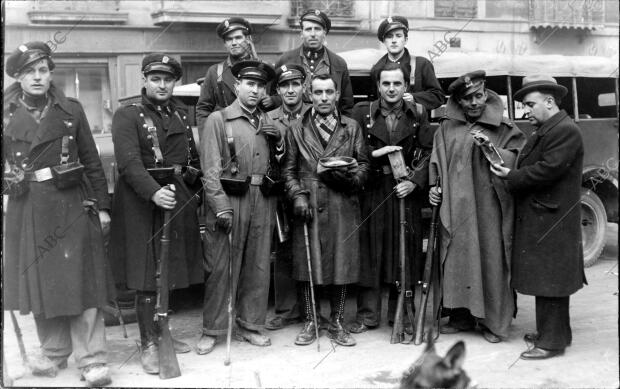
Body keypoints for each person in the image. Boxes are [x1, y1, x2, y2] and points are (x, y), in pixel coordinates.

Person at [3, 41, 113, 386]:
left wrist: (103, 207)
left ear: (51, 73)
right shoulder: (5, 114)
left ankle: (92, 358)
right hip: (28, 206)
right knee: (40, 282)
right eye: (29, 71)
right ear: (18, 76)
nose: (38, 77)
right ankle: (53, 351)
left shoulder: (71, 110)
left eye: (43, 70)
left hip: (72, 202)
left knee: (83, 280)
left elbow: (93, 162)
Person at [109, 53, 203, 374]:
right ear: (145, 81)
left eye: (168, 79)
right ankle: (148, 342)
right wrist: (153, 191)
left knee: (169, 269)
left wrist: (190, 193)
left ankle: (163, 332)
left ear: (175, 82)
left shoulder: (178, 116)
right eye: (156, 79)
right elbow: (129, 162)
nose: (162, 85)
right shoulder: (127, 115)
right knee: (147, 274)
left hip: (175, 200)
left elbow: (191, 161)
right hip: (140, 203)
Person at [490, 75, 586, 359]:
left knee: (552, 281)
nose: (526, 111)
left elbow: (548, 170)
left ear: (549, 102)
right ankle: (551, 333)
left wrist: (512, 176)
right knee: (548, 279)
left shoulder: (564, 131)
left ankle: (552, 343)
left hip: (551, 218)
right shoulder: (550, 129)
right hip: (547, 215)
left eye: (530, 105)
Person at [428, 70, 526, 343]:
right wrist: (433, 188)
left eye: (479, 95)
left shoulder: (504, 128)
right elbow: (437, 162)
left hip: (489, 210)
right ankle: (461, 316)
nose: (474, 102)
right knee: (459, 261)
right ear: (458, 101)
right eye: (467, 98)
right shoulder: (447, 129)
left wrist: (492, 150)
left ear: (487, 93)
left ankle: (493, 323)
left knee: (491, 260)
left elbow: (518, 159)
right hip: (457, 209)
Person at [198, 60, 283, 354]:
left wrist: (280, 143)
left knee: (258, 264)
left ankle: (250, 324)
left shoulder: (268, 122)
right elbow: (209, 169)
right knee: (221, 266)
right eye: (250, 84)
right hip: (232, 197)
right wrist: (220, 206)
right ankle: (214, 329)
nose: (255, 90)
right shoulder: (218, 120)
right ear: (237, 86)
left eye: (260, 86)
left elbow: (280, 163)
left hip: (264, 198)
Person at [283, 73, 369, 346]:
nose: (323, 98)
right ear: (309, 94)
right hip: (309, 203)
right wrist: (296, 196)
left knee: (341, 264)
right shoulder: (296, 127)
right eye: (318, 92)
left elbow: (365, 164)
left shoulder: (352, 127)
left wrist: (353, 179)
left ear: (336, 94)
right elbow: (288, 170)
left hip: (342, 203)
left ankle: (338, 321)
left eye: (328, 92)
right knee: (309, 265)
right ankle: (311, 320)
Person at [349, 62, 434, 334]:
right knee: (371, 250)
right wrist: (373, 158)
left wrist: (414, 182)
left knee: (406, 250)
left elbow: (429, 152)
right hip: (373, 189)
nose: (391, 89)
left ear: (405, 86)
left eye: (397, 83)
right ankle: (367, 314)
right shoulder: (363, 113)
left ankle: (404, 313)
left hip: (405, 189)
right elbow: (352, 152)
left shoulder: (418, 113)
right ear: (378, 87)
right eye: (386, 84)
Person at [264, 64, 312, 331]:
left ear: (304, 86)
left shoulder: (315, 112)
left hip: (311, 191)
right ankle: (286, 310)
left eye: (295, 84)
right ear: (278, 90)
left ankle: (312, 310)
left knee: (311, 248)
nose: (291, 90)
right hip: (281, 193)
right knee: (283, 252)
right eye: (285, 86)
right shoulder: (268, 118)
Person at [271, 9, 354, 116]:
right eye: (308, 29)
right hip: (292, 123)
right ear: (301, 33)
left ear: (324, 33)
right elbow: (273, 95)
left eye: (317, 29)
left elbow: (346, 104)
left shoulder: (338, 63)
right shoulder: (285, 60)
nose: (313, 34)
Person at [370, 16, 445, 111]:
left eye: (398, 36)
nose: (393, 40)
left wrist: (414, 98)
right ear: (384, 41)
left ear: (405, 40)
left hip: (415, 122)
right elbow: (373, 102)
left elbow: (438, 96)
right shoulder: (377, 69)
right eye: (389, 36)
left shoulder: (421, 64)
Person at [196, 17, 259, 128]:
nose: (234, 43)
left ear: (248, 39)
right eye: (229, 39)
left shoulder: (263, 69)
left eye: (238, 37)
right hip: (227, 136)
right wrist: (208, 140)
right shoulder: (215, 72)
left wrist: (272, 100)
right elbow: (203, 110)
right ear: (225, 44)